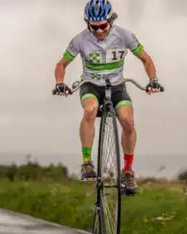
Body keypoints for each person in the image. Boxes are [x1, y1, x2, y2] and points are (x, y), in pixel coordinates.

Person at [53, 0, 164, 196]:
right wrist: (59, 83)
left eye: (103, 26)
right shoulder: (79, 40)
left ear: (111, 20)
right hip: (91, 86)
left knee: (128, 122)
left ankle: (128, 171)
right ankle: (87, 163)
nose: (99, 31)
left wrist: (153, 79)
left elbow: (146, 59)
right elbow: (61, 64)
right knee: (89, 110)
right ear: (87, 23)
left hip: (117, 86)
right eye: (93, 27)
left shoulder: (124, 35)